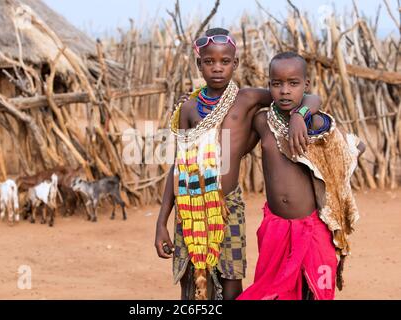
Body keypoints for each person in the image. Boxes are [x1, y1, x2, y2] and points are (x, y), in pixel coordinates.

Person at [154, 28, 322, 300]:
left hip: (228, 205)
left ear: (236, 63)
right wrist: (162, 221)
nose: (217, 68)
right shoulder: (190, 108)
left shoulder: (247, 99)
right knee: (193, 281)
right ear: (199, 64)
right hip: (191, 204)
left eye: (225, 61)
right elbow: (179, 166)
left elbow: (307, 96)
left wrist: (300, 116)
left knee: (232, 281)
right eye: (209, 62)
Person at [237, 52, 366, 300]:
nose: (285, 91)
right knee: (271, 290)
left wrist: (301, 115)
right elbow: (237, 148)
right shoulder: (262, 121)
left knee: (315, 291)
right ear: (270, 85)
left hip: (312, 227)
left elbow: (354, 147)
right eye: (277, 84)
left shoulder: (316, 123)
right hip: (275, 227)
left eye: (293, 83)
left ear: (305, 85)